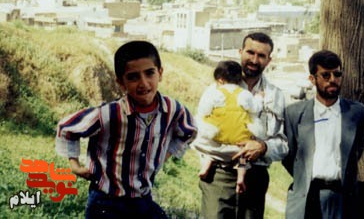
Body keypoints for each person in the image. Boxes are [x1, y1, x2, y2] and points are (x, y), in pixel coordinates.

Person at [55, 40, 198, 219]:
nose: (143, 83)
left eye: (149, 73)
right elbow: (67, 128)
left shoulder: (173, 110)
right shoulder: (109, 114)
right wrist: (75, 166)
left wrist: (164, 155)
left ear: (160, 73)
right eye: (133, 77)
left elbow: (189, 131)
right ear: (121, 82)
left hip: (143, 199)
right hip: (106, 201)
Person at [198, 32, 288, 219]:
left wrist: (263, 147)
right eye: (250, 52)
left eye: (261, 55)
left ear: (269, 60)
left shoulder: (275, 95)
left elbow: (283, 143)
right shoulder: (218, 87)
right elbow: (200, 127)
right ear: (240, 52)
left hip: (255, 178)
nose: (254, 60)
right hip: (220, 174)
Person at [283, 50, 364, 219]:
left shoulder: (356, 112)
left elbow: (356, 151)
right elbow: (290, 157)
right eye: (325, 75)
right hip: (307, 196)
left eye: (337, 74)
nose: (332, 80)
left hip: (341, 197)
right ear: (312, 79)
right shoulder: (294, 113)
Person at [194, 60, 266, 194]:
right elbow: (255, 108)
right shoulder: (244, 94)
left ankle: (207, 165)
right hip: (239, 136)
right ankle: (241, 177)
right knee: (242, 156)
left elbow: (204, 110)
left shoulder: (214, 93)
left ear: (220, 80)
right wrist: (259, 98)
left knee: (212, 148)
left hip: (219, 134)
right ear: (239, 79)